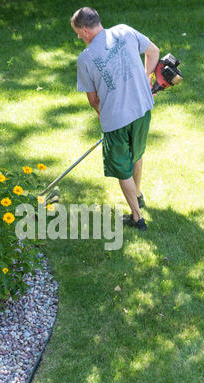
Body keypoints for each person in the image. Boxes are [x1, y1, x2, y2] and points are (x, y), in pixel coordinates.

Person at [71, 7, 160, 230]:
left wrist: (106, 115)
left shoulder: (86, 58)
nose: (78, 37)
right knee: (136, 153)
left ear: (85, 30)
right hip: (142, 108)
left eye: (78, 33)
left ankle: (137, 218)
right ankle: (137, 195)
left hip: (116, 120)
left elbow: (93, 100)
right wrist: (146, 82)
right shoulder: (125, 31)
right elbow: (154, 52)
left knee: (122, 168)